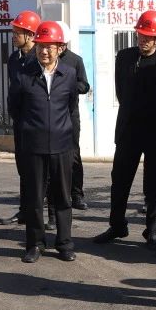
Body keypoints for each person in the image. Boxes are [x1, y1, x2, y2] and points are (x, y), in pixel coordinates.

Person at [94, 10, 156, 250]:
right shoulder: (124, 57)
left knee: (153, 184)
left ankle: (152, 231)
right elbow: (121, 92)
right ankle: (117, 225)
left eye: (149, 37)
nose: (143, 40)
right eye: (141, 35)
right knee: (119, 180)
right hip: (128, 130)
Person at [9, 21, 78, 263]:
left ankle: (64, 243)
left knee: (63, 197)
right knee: (34, 198)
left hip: (62, 145)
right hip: (33, 145)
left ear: (60, 48)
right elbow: (15, 108)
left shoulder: (69, 74)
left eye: (49, 46)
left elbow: (71, 106)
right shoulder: (23, 74)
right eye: (40, 46)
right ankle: (35, 244)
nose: (44, 51)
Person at [1, 10, 41, 226]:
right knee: (23, 168)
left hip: (38, 123)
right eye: (14, 32)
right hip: (20, 122)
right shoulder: (14, 59)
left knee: (41, 171)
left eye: (18, 33)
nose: (13, 36)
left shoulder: (41, 58)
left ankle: (48, 215)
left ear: (31, 34)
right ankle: (25, 210)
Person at [55, 22, 91, 211]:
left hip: (70, 115)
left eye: (61, 44)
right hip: (49, 116)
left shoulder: (75, 60)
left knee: (73, 154)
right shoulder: (43, 59)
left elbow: (84, 85)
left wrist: (67, 86)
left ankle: (77, 194)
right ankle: (51, 195)